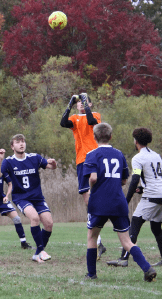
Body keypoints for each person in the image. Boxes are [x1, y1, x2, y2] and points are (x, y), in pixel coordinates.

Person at [83, 123, 156, 282]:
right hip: (118, 201)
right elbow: (124, 180)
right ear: (110, 136)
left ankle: (91, 274)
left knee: (92, 236)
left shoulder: (92, 154)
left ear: (94, 137)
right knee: (126, 240)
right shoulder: (119, 154)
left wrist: (91, 188)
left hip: (99, 202)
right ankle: (147, 267)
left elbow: (93, 178)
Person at [106, 127, 162, 268]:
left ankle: (123, 259)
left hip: (152, 196)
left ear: (135, 141)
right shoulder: (156, 155)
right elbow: (154, 177)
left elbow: (135, 178)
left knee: (134, 225)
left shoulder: (138, 158)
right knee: (156, 228)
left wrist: (126, 200)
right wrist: (142, 188)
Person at [0, 134, 57, 263]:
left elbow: (50, 166)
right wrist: (0, 160)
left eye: (23, 141)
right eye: (17, 142)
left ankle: (37, 254)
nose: (21, 144)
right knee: (34, 218)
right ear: (12, 146)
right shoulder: (8, 161)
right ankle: (41, 251)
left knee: (49, 224)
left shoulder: (34, 157)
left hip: (37, 198)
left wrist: (54, 164)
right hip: (21, 198)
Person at [60, 92, 106, 259]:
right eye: (79, 103)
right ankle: (98, 240)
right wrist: (70, 102)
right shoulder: (74, 119)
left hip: (96, 158)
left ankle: (104, 230)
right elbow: (62, 122)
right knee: (87, 199)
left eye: (83, 102)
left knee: (100, 195)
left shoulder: (95, 115)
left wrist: (85, 101)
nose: (80, 104)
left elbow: (92, 122)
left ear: (89, 104)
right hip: (81, 161)